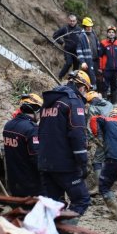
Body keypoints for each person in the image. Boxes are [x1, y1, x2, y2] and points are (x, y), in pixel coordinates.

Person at [38, 70, 92, 216]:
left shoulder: (49, 102)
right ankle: (67, 231)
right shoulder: (74, 102)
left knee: (54, 204)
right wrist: (83, 163)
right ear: (80, 86)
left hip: (45, 163)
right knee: (81, 200)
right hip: (65, 165)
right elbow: (77, 134)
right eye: (86, 89)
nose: (85, 93)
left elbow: (41, 131)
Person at [90, 108, 117, 220]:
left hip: (113, 158)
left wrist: (97, 135)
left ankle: (115, 213)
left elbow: (94, 119)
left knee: (104, 186)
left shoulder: (108, 120)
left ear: (112, 114)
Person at [3, 93, 43, 197]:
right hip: (31, 186)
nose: (40, 116)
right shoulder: (32, 129)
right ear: (36, 111)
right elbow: (37, 159)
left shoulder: (8, 125)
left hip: (14, 183)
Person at [85, 90, 113, 194]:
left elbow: (90, 127)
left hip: (104, 137)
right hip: (115, 134)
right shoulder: (109, 104)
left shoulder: (92, 108)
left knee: (97, 161)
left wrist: (91, 140)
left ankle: (99, 187)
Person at [98, 26, 117, 103]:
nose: (111, 34)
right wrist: (100, 68)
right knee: (105, 86)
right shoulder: (103, 43)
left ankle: (114, 103)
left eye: (113, 32)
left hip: (115, 69)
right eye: (109, 32)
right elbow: (100, 57)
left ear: (115, 34)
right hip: (106, 69)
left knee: (114, 86)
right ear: (107, 33)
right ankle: (104, 102)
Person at [53, 14, 81, 80]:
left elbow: (83, 40)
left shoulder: (79, 30)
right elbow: (55, 35)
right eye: (71, 21)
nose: (72, 22)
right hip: (67, 50)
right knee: (69, 63)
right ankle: (60, 76)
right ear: (68, 21)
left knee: (76, 66)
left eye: (73, 21)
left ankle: (73, 80)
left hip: (77, 51)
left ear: (76, 21)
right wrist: (61, 42)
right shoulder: (65, 28)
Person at [77, 17, 100, 89]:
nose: (89, 28)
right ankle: (92, 94)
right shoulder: (81, 36)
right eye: (88, 27)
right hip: (88, 61)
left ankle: (97, 94)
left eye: (90, 26)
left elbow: (98, 45)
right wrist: (82, 62)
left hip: (96, 60)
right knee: (91, 79)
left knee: (98, 76)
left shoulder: (93, 34)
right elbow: (79, 51)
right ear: (84, 26)